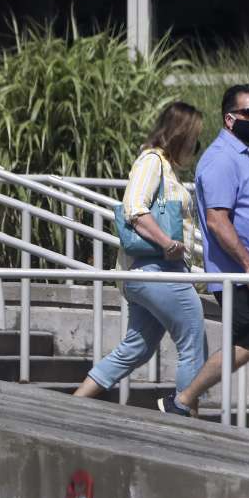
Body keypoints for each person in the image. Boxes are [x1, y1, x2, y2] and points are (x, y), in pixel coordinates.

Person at [161, 85, 249, 430]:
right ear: (229, 119)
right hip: (241, 274)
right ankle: (181, 400)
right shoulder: (220, 159)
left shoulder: (244, 156)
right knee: (248, 344)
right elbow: (218, 221)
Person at [74, 102, 207, 407]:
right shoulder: (151, 161)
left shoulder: (164, 167)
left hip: (146, 274)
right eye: (194, 141)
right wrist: (166, 243)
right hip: (157, 270)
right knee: (192, 340)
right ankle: (185, 418)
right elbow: (134, 208)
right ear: (180, 136)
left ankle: (73, 405)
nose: (195, 149)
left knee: (137, 347)